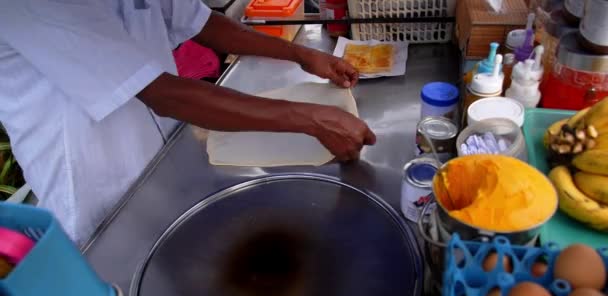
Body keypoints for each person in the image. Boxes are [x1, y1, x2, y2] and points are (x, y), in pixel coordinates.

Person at [0, 1, 376, 245]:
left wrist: (301, 55)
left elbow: (199, 22)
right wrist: (311, 119)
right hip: (97, 192)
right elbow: (163, 94)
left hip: (161, 165)